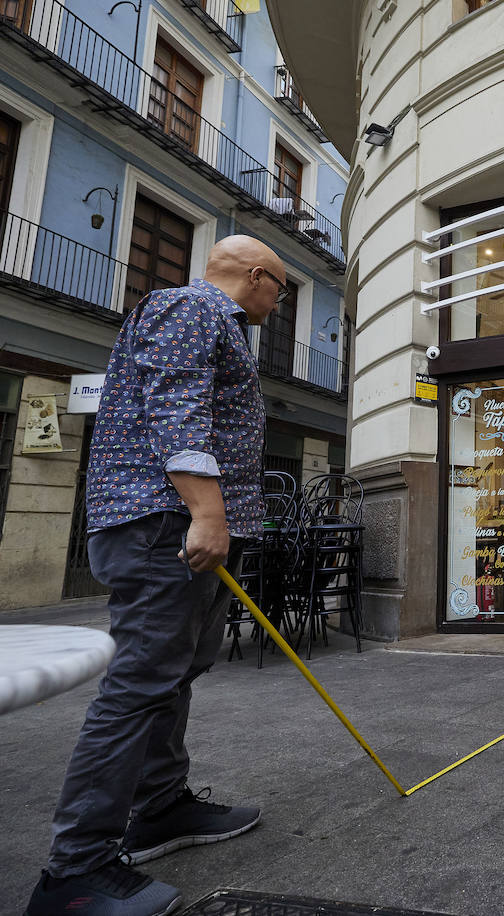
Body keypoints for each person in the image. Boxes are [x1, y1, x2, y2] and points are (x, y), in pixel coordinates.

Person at [27, 236, 286, 916]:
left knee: (174, 671)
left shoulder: (209, 321)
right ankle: (74, 872)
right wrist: (207, 513)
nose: (277, 303)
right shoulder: (190, 310)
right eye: (279, 289)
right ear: (258, 277)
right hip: (162, 526)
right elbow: (176, 411)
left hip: (173, 526)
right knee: (141, 684)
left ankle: (160, 806)